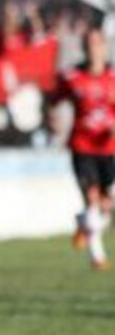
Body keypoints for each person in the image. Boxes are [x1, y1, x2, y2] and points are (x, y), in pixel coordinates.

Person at [50, 28, 115, 271]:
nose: (94, 48)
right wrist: (52, 118)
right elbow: (54, 99)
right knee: (92, 198)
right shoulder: (73, 77)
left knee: (106, 206)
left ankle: (83, 223)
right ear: (84, 47)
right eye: (89, 43)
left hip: (109, 148)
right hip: (82, 146)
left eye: (97, 43)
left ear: (104, 47)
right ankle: (97, 257)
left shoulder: (112, 77)